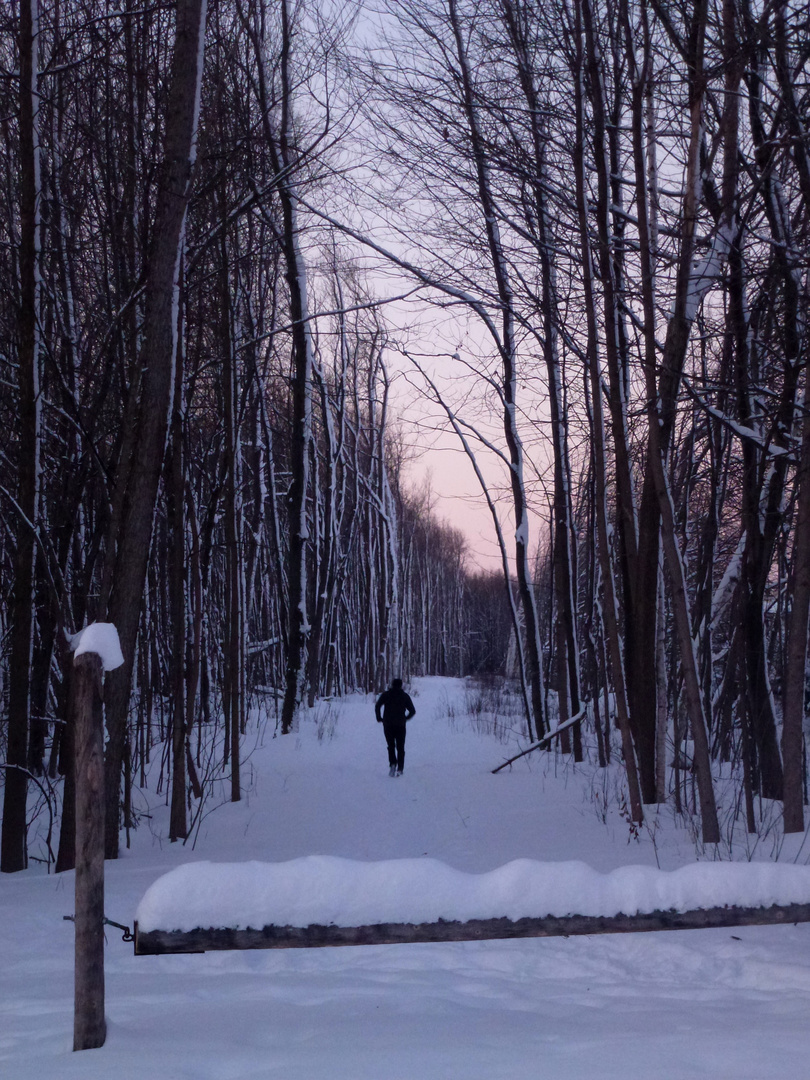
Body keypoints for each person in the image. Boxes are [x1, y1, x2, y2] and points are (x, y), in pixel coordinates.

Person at [375, 678, 415, 776]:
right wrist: (406, 718)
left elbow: (378, 706)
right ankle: (400, 768)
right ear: (401, 685)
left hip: (388, 724)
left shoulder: (386, 695)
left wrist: (379, 718)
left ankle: (393, 764)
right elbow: (412, 710)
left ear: (392, 685)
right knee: (400, 747)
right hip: (400, 725)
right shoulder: (404, 696)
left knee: (391, 746)